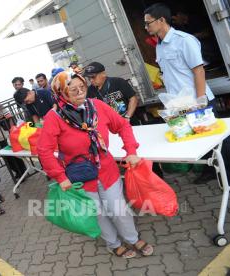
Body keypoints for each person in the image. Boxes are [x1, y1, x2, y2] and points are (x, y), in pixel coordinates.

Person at [38, 71, 154, 258]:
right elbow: (44, 150)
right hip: (80, 176)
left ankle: (132, 239)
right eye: (72, 89)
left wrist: (131, 151)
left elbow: (123, 125)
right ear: (60, 92)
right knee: (98, 213)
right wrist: (60, 177)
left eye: (82, 87)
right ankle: (113, 243)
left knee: (118, 209)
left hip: (107, 170)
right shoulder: (54, 117)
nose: (80, 92)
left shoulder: (97, 106)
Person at [144, 3, 219, 182]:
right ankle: (211, 172)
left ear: (162, 20)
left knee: (216, 142)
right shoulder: (160, 46)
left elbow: (198, 71)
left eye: (148, 23)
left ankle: (224, 178)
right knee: (198, 141)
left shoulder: (184, 40)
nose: (146, 27)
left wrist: (201, 102)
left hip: (197, 102)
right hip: (181, 104)